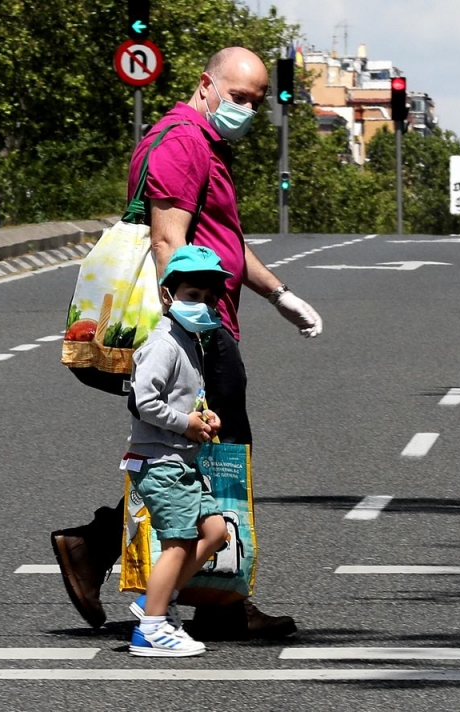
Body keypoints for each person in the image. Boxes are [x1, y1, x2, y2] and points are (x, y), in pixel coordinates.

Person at [51, 46, 323, 638]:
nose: (246, 109)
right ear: (207, 84)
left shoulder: (204, 143)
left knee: (202, 458)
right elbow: (168, 241)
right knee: (217, 457)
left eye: (256, 101)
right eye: (238, 96)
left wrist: (279, 295)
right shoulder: (181, 141)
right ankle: (214, 600)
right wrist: (189, 329)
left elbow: (222, 240)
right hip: (199, 326)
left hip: (211, 316)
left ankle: (103, 551)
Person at [125, 245, 229, 657]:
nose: (201, 304)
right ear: (168, 296)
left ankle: (154, 599)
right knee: (180, 542)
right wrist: (185, 422)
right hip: (161, 461)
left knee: (215, 531)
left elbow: (183, 397)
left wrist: (203, 415)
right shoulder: (164, 343)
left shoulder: (190, 340)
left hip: (183, 460)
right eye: (191, 296)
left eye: (208, 298)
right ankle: (151, 627)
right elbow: (141, 402)